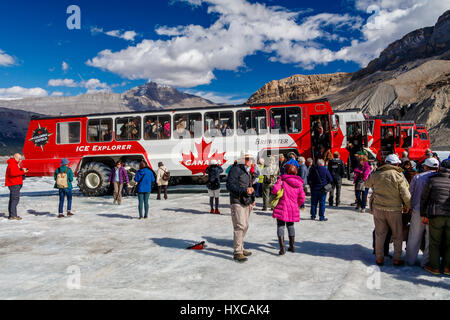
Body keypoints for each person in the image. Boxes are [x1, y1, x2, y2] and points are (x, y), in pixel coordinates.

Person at [365, 154, 411, 266]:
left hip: (378, 208)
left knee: (380, 234)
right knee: (397, 235)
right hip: (394, 210)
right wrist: (409, 206)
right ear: (396, 164)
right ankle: (397, 258)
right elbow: (405, 194)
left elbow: (367, 184)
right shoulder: (399, 176)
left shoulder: (376, 174)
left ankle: (379, 258)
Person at [405, 157, 439, 267]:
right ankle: (426, 262)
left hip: (417, 210)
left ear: (425, 166)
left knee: (414, 235)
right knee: (430, 238)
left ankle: (410, 260)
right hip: (434, 213)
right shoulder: (438, 178)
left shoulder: (418, 177)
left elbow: (410, 193)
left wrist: (409, 207)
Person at [420, 159, 450, 275]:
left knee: (435, 242)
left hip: (435, 214)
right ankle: (448, 268)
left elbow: (424, 199)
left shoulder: (432, 180)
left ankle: (435, 267)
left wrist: (423, 214)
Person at [226, 153, 256, 263]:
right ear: (244, 160)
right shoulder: (235, 169)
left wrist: (252, 199)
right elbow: (229, 185)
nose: (252, 161)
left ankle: (241, 248)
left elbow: (249, 186)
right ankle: (237, 252)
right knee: (240, 226)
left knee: (245, 226)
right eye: (250, 159)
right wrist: (243, 191)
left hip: (246, 201)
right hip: (237, 201)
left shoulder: (246, 171)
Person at [272, 164, 305, 255]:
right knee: (290, 226)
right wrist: (296, 204)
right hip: (293, 207)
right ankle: (292, 246)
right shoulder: (299, 183)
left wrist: (278, 182)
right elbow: (302, 198)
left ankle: (282, 248)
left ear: (286, 171)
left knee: (280, 226)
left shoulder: (282, 180)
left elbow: (275, 190)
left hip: (282, 206)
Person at [5, 153, 28, 220]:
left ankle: (12, 214)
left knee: (13, 199)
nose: (20, 160)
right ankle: (13, 215)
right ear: (15, 157)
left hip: (15, 183)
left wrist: (21, 170)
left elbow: (15, 171)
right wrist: (23, 172)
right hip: (14, 184)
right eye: (19, 159)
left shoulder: (14, 164)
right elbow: (13, 173)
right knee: (14, 199)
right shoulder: (12, 164)